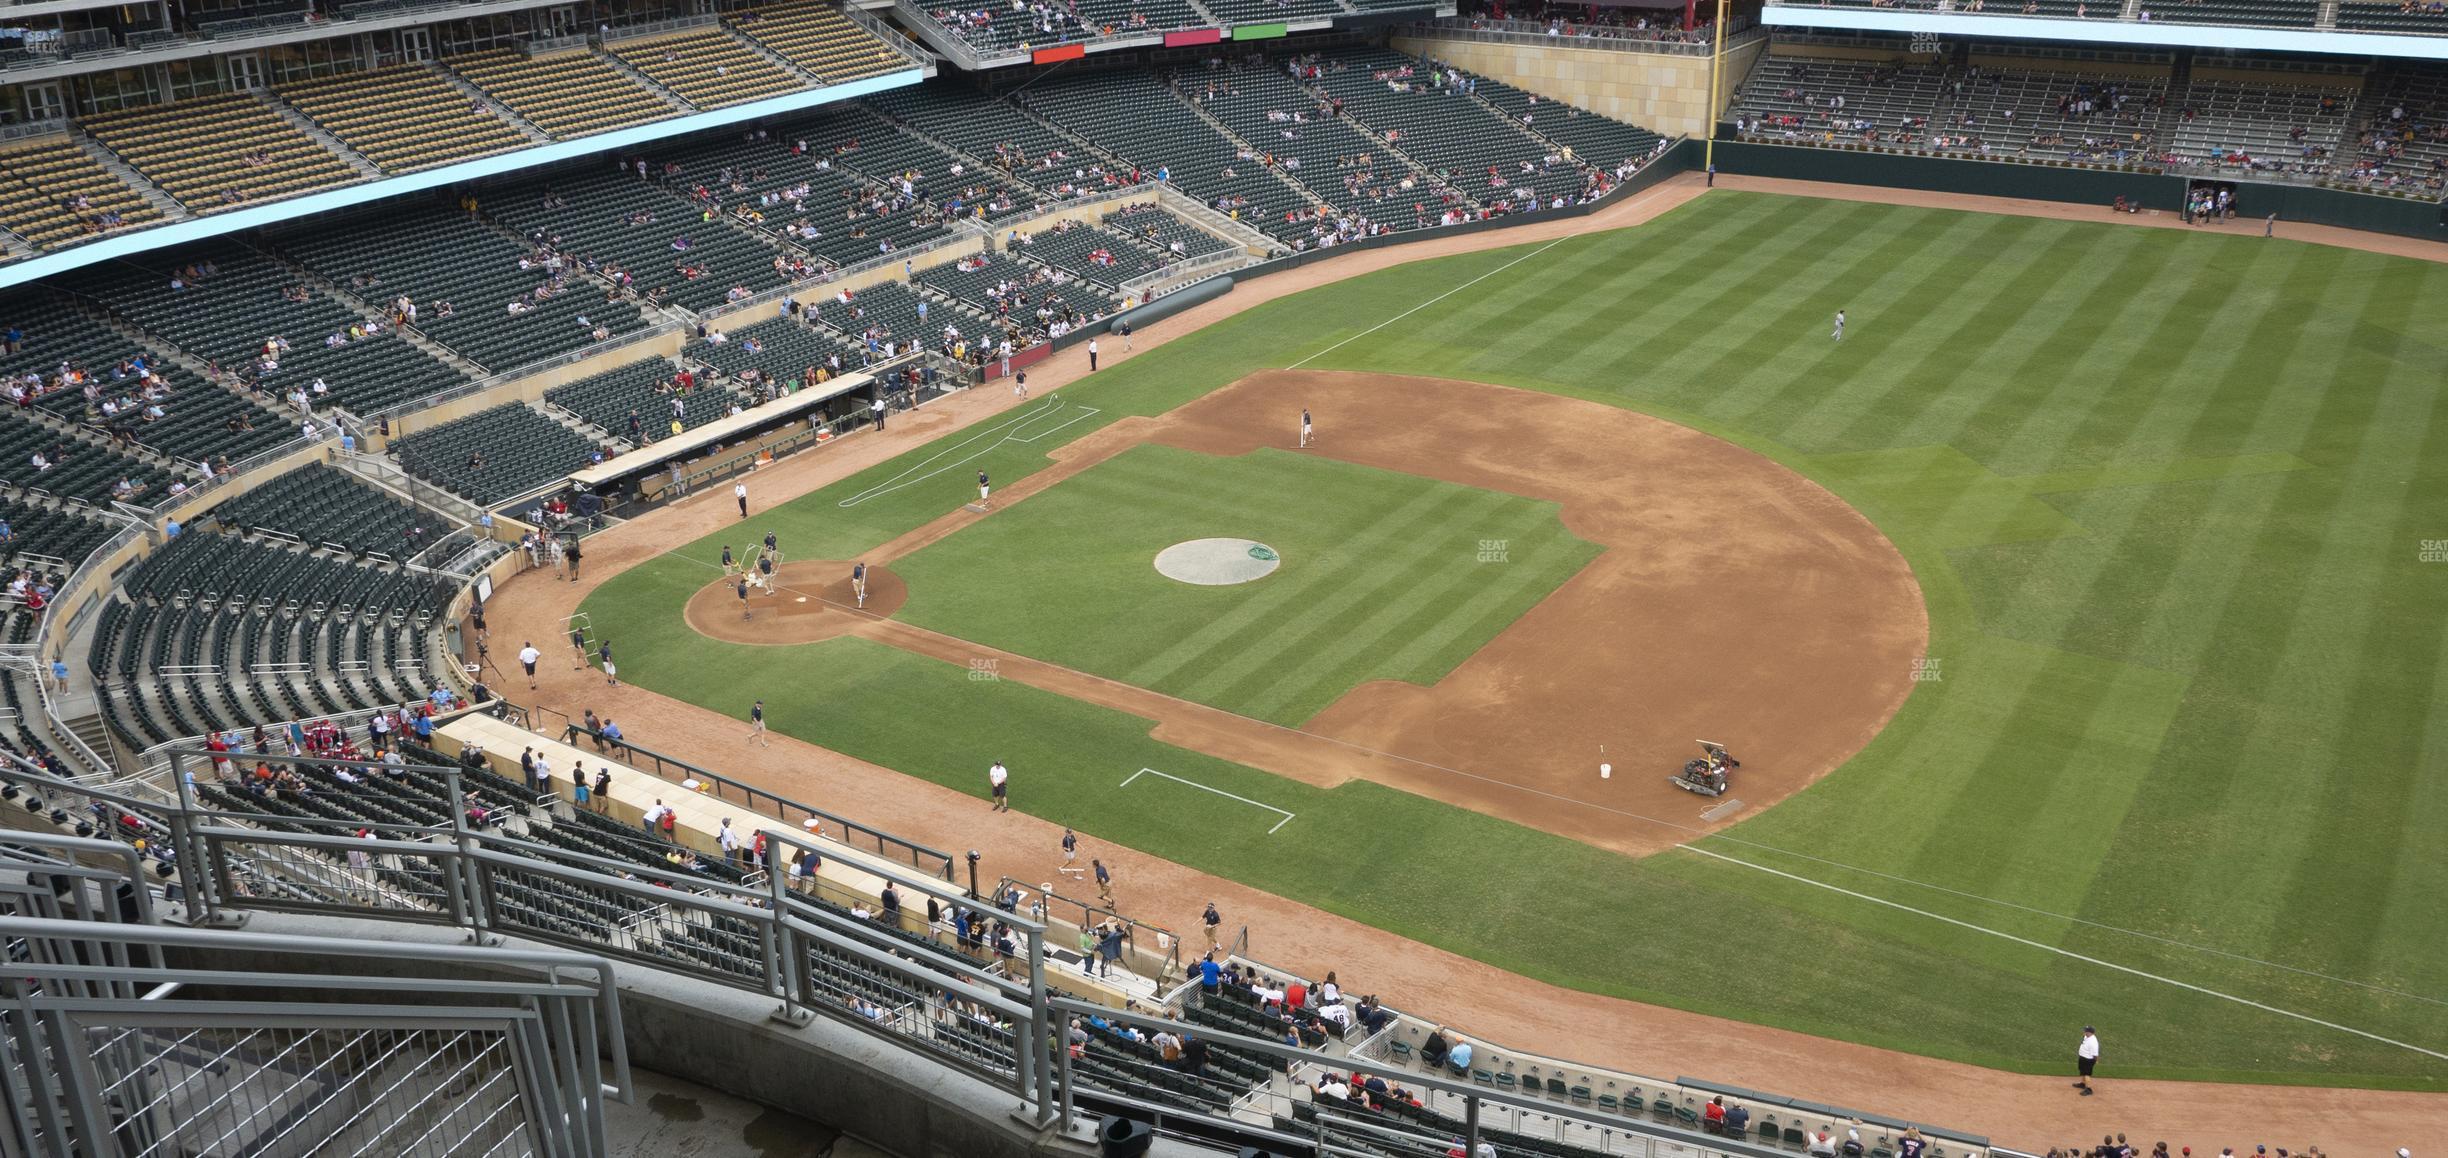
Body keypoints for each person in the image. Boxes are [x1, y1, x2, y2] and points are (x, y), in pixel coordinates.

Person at [2075, 1025, 2100, 1095]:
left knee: (2086, 1074)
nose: (2084, 1031)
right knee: (2083, 1072)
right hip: (2083, 1058)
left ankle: (2089, 1089)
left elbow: (2095, 1054)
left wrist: (2096, 1060)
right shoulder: (2086, 1036)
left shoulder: (2093, 1042)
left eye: (2086, 1031)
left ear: (2090, 1032)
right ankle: (2082, 1084)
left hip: (2088, 1060)